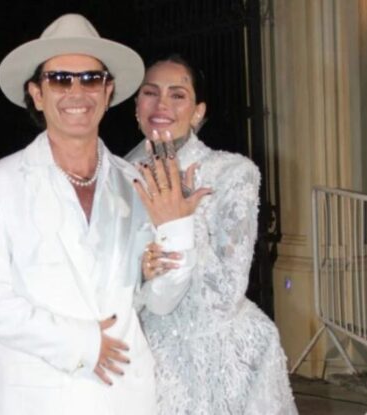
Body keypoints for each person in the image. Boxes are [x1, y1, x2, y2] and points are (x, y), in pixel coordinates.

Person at [0, 13, 156, 415]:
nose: (77, 91)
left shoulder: (137, 182)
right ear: (37, 94)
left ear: (108, 90)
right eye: (60, 79)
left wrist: (175, 239)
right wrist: (80, 343)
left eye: (90, 78)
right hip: (38, 398)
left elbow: (153, 295)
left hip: (127, 397)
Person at [127, 55, 298, 414]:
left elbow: (225, 294)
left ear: (198, 112)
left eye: (178, 95)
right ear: (137, 106)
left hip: (220, 361)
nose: (162, 104)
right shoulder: (119, 175)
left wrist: (180, 222)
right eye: (150, 93)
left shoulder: (232, 172)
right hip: (141, 353)